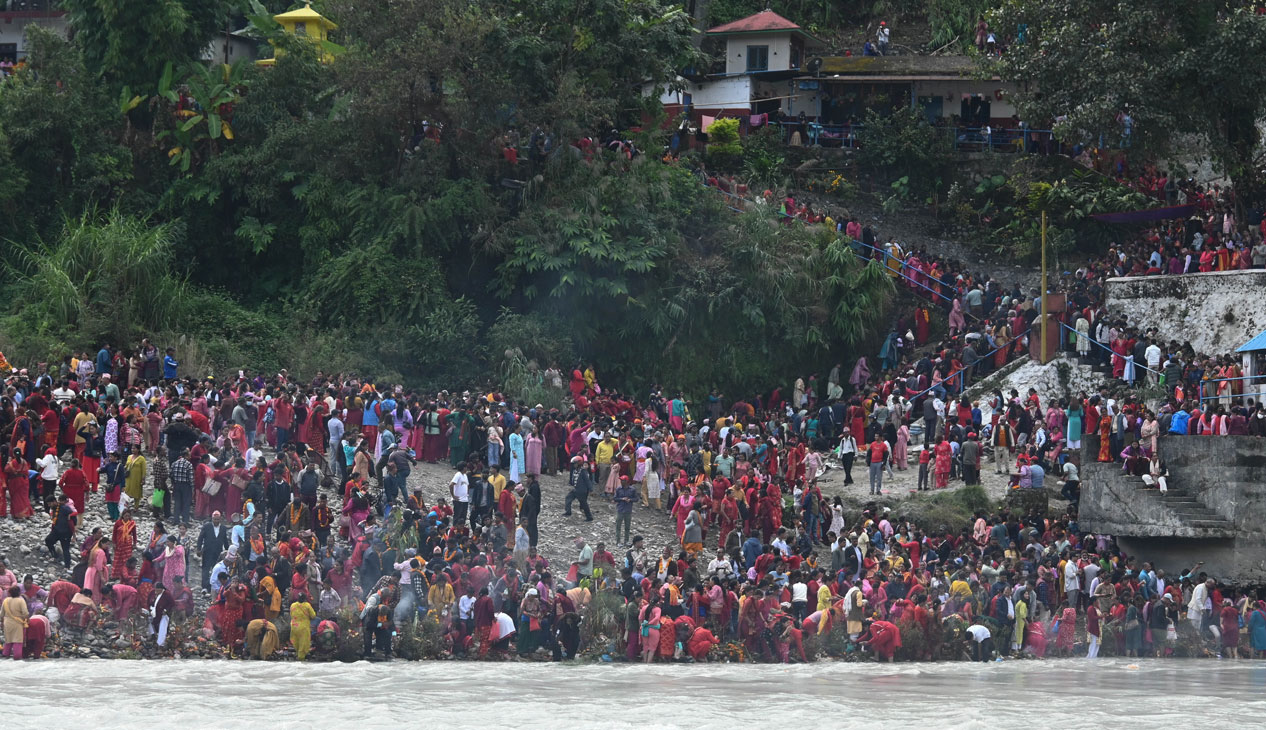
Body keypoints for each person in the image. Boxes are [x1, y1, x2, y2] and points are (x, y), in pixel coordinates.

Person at [2, 585, 29, 659]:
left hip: (7, 622)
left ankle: (5, 655)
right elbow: (25, 613)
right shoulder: (21, 600)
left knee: (8, 640)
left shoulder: (6, 600)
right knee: (17, 641)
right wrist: (26, 621)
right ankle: (17, 657)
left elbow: (2, 614)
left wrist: (2, 623)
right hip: (17, 623)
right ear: (19, 593)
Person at [613, 476, 636, 547]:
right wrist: (622, 499)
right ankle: (618, 541)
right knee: (618, 526)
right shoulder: (618, 489)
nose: (621, 482)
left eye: (623, 480)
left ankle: (626, 541)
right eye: (621, 480)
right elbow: (615, 498)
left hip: (628, 510)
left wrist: (630, 500)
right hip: (620, 510)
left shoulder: (632, 489)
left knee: (627, 526)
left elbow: (636, 498)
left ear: (626, 481)